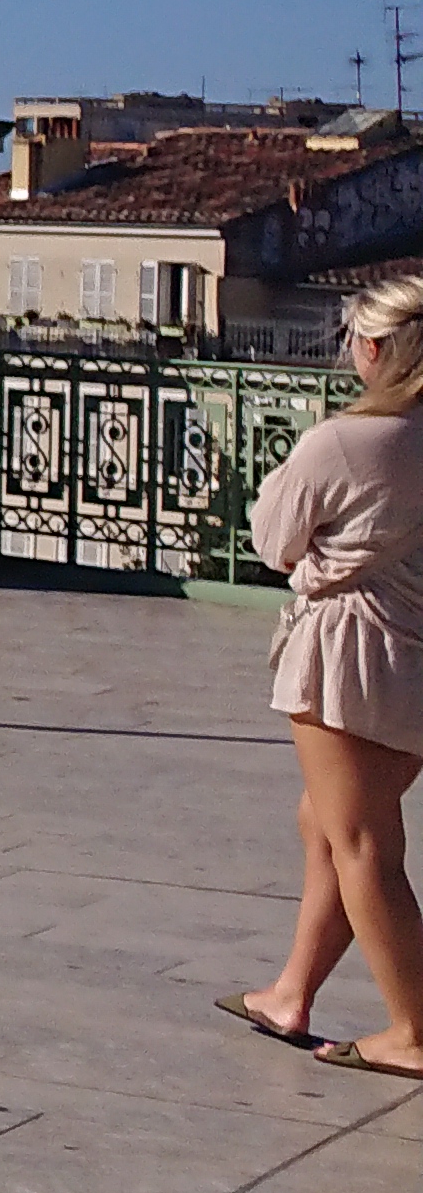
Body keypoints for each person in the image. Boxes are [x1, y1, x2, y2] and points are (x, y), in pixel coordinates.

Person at [229, 269, 423, 1078]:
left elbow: (273, 540)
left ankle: (413, 1030)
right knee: (330, 822)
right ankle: (291, 993)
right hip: (417, 655)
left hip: (348, 654)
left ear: (373, 348)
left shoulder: (344, 441)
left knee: (360, 842)